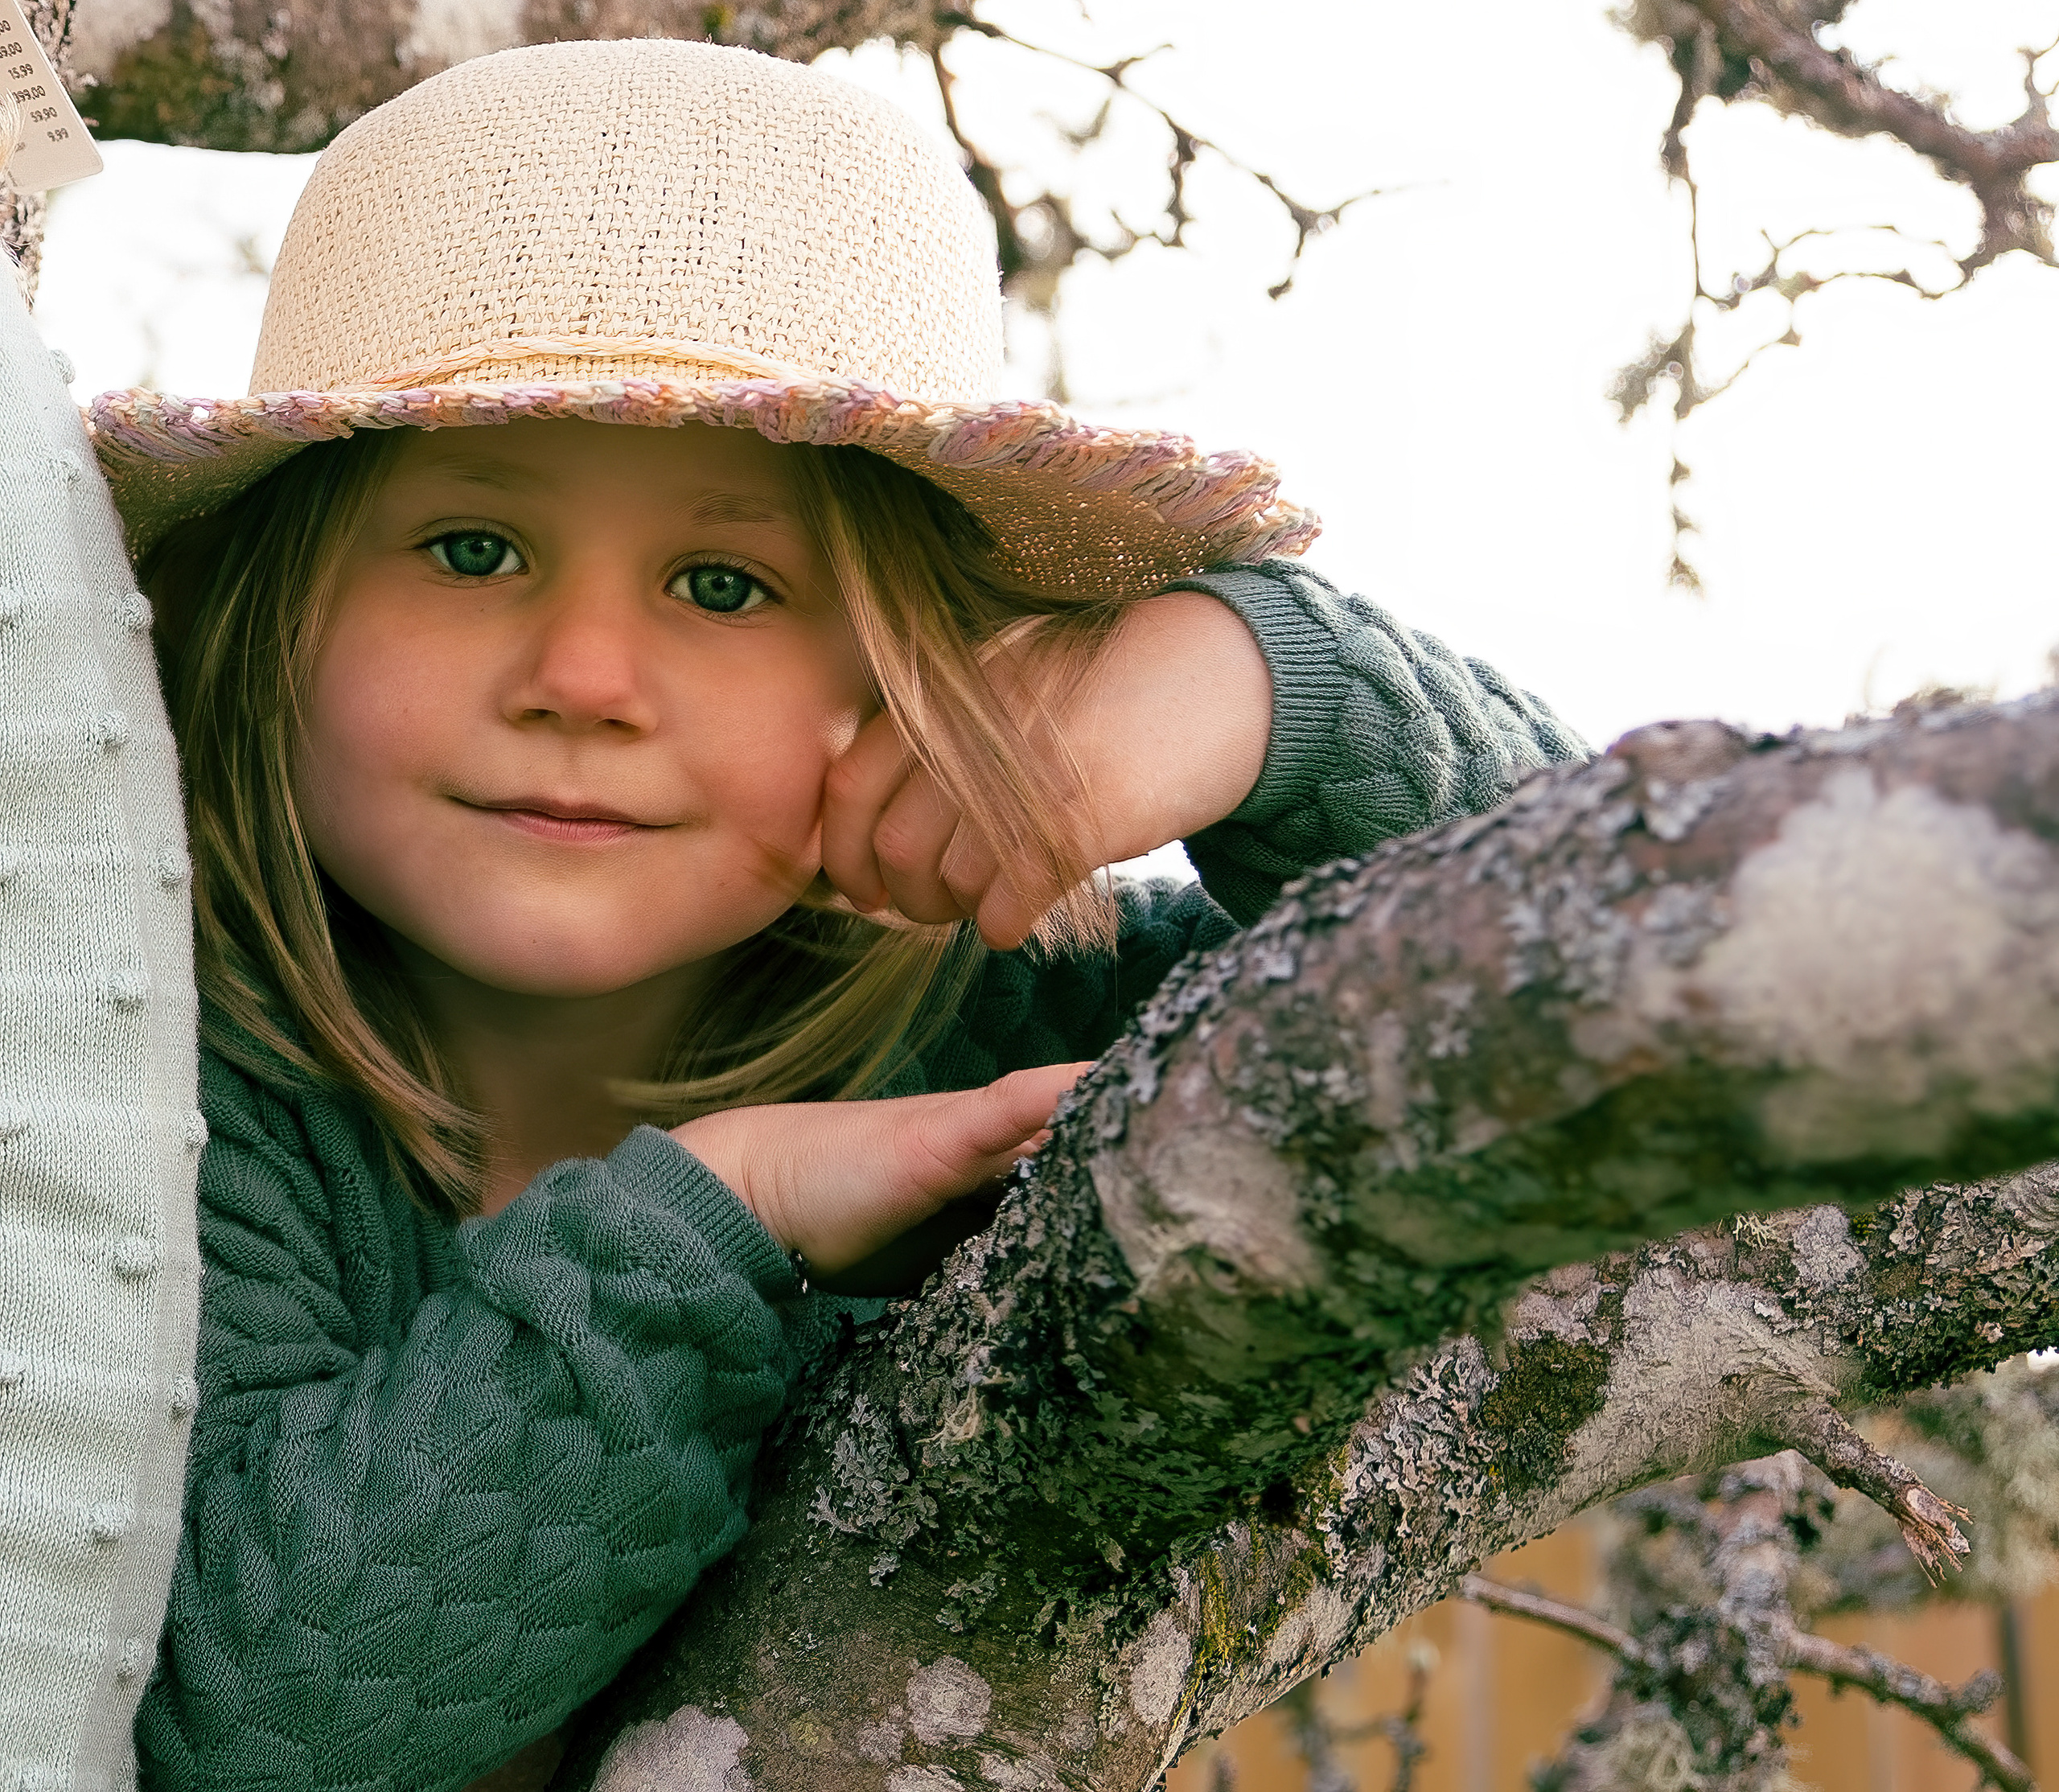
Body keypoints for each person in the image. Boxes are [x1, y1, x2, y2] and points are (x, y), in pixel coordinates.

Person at [76, 35, 1588, 1790]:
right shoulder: (148, 1065)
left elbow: (1619, 993)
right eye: (473, 548)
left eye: (723, 584)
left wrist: (1274, 696)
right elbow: (265, 1711)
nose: (583, 678)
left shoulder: (1019, 1017)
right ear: (267, 612)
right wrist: (724, 1216)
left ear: (907, 670)